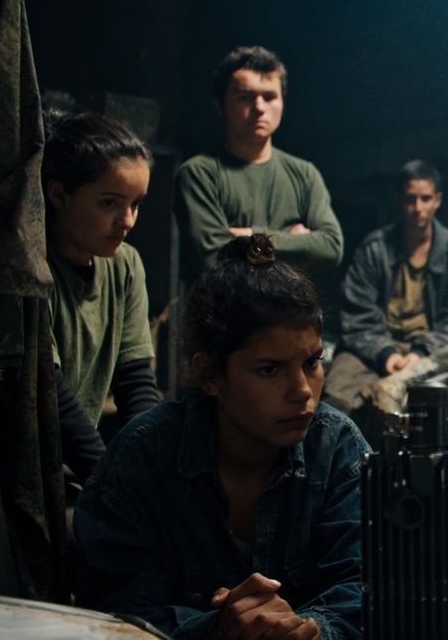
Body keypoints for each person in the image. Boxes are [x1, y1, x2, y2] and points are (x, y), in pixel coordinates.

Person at [74, 235, 367, 639]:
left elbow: (368, 588)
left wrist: (308, 631)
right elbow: (114, 612)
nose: (303, 390)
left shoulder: (336, 448)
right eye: (269, 369)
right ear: (210, 375)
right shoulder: (143, 456)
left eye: (312, 362)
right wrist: (215, 629)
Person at [42, 112, 160, 482]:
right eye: (109, 203)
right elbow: (49, 392)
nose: (128, 221)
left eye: (136, 204)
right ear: (59, 194)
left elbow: (135, 380)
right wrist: (108, 479)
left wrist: (146, 464)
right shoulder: (32, 270)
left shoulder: (125, 265)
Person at [325, 160, 448, 430]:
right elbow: (357, 313)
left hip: (432, 350)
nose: (418, 208)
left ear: (437, 200)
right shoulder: (375, 248)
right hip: (378, 345)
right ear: (399, 200)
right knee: (337, 396)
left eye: (425, 198)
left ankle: (401, 382)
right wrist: (386, 353)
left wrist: (420, 352)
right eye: (410, 199)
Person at [174, 45, 343, 281]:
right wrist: (291, 240)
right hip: (225, 305)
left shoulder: (305, 174)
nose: (259, 108)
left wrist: (251, 236)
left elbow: (330, 247)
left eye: (270, 97)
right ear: (220, 106)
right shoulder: (199, 174)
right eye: (244, 97)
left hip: (288, 305)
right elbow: (213, 259)